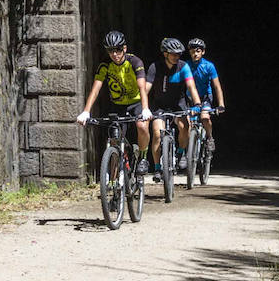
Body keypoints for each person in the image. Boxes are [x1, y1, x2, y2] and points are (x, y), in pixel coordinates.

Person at [76, 30, 153, 173]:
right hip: (117, 105)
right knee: (114, 140)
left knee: (142, 126)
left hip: (136, 103)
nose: (115, 54)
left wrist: (145, 108)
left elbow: (142, 87)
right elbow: (95, 90)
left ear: (124, 48)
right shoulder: (105, 65)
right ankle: (113, 181)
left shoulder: (135, 62)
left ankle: (143, 157)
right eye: (111, 51)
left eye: (118, 50)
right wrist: (86, 112)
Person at [143, 37, 209, 180]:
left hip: (178, 103)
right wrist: (142, 107)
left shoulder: (183, 66)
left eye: (179, 54)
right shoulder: (155, 67)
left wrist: (197, 104)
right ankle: (157, 168)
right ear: (165, 53)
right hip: (159, 104)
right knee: (157, 133)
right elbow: (146, 88)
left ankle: (180, 153)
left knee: (185, 126)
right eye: (173, 54)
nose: (177, 56)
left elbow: (191, 86)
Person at [185, 37, 226, 177]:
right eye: (192, 51)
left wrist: (221, 104)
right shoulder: (186, 65)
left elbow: (217, 86)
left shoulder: (209, 66)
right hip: (190, 97)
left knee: (205, 117)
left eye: (198, 51)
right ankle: (187, 152)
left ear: (203, 52)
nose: (195, 54)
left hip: (205, 97)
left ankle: (209, 138)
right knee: (187, 123)